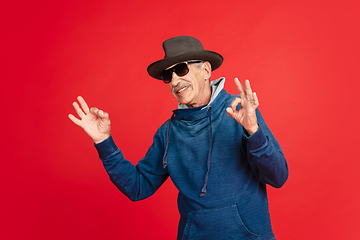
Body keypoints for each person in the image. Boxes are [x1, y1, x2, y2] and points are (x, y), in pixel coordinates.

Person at [69, 36, 288, 240]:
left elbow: (278, 177)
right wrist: (103, 141)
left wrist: (254, 131)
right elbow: (138, 187)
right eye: (168, 75)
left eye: (181, 69)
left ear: (206, 69)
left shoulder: (239, 111)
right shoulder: (168, 133)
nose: (175, 80)